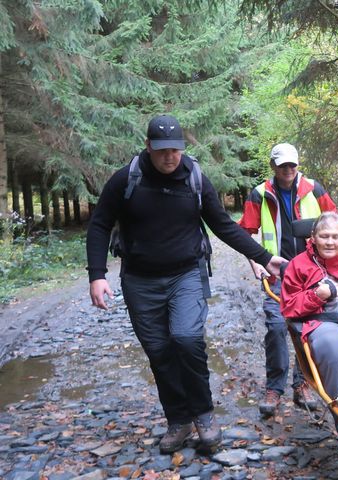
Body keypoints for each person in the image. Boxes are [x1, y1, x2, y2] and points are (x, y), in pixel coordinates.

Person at [86, 114, 285, 454]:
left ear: (183, 148)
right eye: (162, 150)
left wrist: (264, 257)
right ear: (149, 147)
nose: (169, 157)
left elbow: (223, 225)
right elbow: (100, 224)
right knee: (160, 352)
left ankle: (204, 416)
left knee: (188, 339)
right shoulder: (126, 180)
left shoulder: (194, 178)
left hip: (187, 275)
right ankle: (178, 420)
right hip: (139, 280)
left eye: (175, 150)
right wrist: (97, 275)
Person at [239, 143, 338, 417]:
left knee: (309, 327)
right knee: (276, 327)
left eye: (292, 165)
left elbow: (335, 224)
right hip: (277, 273)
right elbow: (244, 234)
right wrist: (256, 264)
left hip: (312, 271)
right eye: (283, 166)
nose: (288, 170)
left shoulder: (313, 190)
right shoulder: (260, 194)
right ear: (274, 166)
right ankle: (274, 387)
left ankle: (303, 383)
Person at [280, 212, 338, 453]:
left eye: (335, 236)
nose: (329, 242)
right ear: (313, 237)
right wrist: (315, 296)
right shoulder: (298, 265)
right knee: (333, 343)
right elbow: (288, 307)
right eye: (324, 236)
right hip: (321, 322)